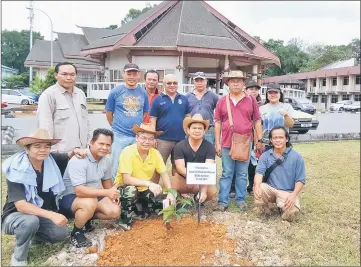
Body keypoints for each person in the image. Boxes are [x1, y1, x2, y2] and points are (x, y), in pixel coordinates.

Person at [1, 129, 85, 266]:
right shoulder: (17, 169)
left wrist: (76, 151)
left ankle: (32, 236)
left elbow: (68, 155)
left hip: (39, 214)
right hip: (15, 216)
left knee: (60, 233)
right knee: (30, 221)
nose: (43, 150)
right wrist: (52, 215)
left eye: (47, 146)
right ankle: (19, 258)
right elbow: (21, 205)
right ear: (27, 149)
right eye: (37, 146)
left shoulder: (50, 161)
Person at [58, 128, 121, 248]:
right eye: (101, 143)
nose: (104, 147)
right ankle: (76, 232)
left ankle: (85, 218)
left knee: (115, 210)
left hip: (91, 195)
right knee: (89, 201)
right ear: (91, 143)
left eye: (108, 145)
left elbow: (106, 180)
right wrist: (107, 192)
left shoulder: (106, 159)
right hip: (70, 197)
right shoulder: (79, 160)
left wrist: (113, 194)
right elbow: (79, 191)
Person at [214, 70, 264, 212]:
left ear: (243, 83)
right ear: (228, 83)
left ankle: (240, 199)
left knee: (242, 173)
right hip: (226, 143)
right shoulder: (222, 101)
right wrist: (217, 143)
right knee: (227, 172)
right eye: (232, 80)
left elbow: (256, 121)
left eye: (238, 80)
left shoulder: (251, 100)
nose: (235, 83)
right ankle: (223, 201)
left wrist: (259, 139)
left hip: (245, 142)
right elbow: (217, 122)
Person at [115, 123, 176, 226]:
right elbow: (126, 179)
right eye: (143, 138)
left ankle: (140, 209)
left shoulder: (155, 153)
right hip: (125, 188)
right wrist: (149, 184)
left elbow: (164, 173)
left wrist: (170, 192)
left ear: (154, 141)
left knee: (168, 201)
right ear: (137, 138)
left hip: (144, 189)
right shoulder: (127, 152)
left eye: (151, 139)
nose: (147, 142)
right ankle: (125, 221)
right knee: (131, 190)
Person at [105, 63, 150, 180]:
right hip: (119, 135)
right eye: (128, 74)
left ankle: (132, 190)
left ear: (138, 75)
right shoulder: (116, 91)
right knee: (117, 163)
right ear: (123, 74)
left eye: (134, 74)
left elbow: (145, 113)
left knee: (135, 164)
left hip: (136, 136)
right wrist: (116, 126)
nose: (131, 77)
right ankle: (115, 188)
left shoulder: (143, 92)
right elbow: (109, 113)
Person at [37, 62, 91, 155]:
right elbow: (45, 126)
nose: (69, 78)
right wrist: (51, 151)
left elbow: (86, 121)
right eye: (64, 74)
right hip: (61, 153)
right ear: (56, 75)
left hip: (82, 151)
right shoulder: (49, 95)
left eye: (72, 74)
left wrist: (90, 142)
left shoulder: (80, 94)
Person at [253, 126, 305, 222]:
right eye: (275, 138)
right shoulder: (265, 156)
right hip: (271, 189)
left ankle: (283, 207)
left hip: (288, 192)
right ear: (271, 140)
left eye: (280, 137)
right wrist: (256, 186)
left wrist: (293, 195)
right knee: (260, 187)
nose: (278, 140)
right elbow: (259, 173)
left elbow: (300, 180)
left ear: (286, 139)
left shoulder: (297, 157)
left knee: (292, 213)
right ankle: (265, 210)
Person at [171, 114, 217, 218]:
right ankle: (177, 199)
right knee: (172, 183)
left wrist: (203, 191)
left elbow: (208, 170)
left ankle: (199, 199)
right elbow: (180, 167)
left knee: (211, 191)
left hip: (200, 179)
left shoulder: (210, 147)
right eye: (194, 128)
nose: (197, 130)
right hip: (183, 178)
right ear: (188, 130)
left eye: (200, 128)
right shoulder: (179, 146)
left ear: (205, 131)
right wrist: (190, 177)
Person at [150, 74, 191, 183]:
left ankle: (177, 190)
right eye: (169, 83)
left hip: (181, 140)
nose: (172, 85)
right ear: (163, 84)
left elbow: (188, 117)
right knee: (158, 167)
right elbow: (153, 119)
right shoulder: (157, 100)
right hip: (162, 140)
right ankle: (153, 191)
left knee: (178, 167)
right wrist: (153, 137)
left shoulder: (184, 99)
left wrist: (188, 134)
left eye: (175, 83)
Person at [230, 80, 263, 196]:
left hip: (255, 138)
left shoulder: (261, 104)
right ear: (246, 89)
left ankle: (252, 186)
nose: (253, 91)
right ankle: (233, 188)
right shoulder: (243, 101)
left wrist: (259, 139)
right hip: (243, 138)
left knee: (254, 165)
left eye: (256, 89)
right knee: (236, 163)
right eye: (251, 89)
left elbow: (258, 122)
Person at [186, 72, 219, 144]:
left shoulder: (213, 96)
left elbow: (220, 111)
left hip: (208, 130)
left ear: (206, 81)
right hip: (192, 129)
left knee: (208, 152)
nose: (199, 83)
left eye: (201, 80)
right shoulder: (187, 97)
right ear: (193, 82)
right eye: (197, 81)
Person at [259, 83, 295, 151]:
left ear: (280, 94)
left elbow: (291, 124)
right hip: (266, 144)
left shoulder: (287, 107)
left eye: (276, 92)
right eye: (270, 93)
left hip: (282, 144)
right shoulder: (261, 108)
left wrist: (286, 115)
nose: (273, 95)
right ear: (267, 95)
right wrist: (259, 142)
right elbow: (259, 127)